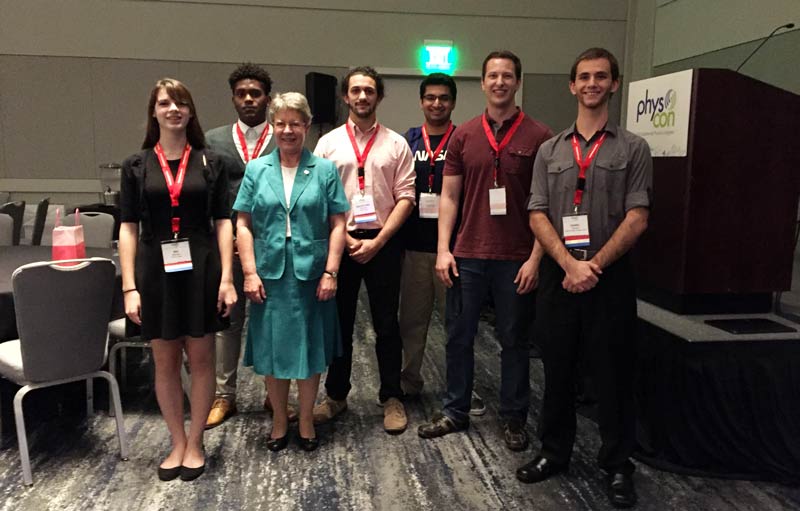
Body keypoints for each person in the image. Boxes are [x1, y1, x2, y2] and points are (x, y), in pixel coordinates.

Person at [519, 48, 652, 510]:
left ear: (614, 84)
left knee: (613, 375)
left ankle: (617, 465)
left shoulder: (633, 148)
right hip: (560, 277)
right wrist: (569, 265)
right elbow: (536, 213)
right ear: (571, 86)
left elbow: (637, 217)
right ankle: (554, 453)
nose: (592, 83)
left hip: (609, 280)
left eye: (601, 76)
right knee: (556, 371)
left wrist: (593, 266)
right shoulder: (550, 150)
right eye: (584, 77)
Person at [417, 51, 552, 451]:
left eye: (507, 75)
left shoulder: (540, 136)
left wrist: (535, 259)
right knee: (459, 335)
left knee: (514, 340)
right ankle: (455, 409)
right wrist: (444, 250)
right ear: (482, 83)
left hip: (516, 257)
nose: (499, 82)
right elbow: (450, 196)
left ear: (517, 82)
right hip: (468, 254)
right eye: (492, 75)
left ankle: (514, 417)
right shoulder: (464, 135)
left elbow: (545, 206)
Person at [119, 78, 237, 481]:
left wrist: (226, 279)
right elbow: (128, 228)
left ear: (190, 111)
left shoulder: (211, 162)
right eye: (165, 103)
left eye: (181, 103)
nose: (173, 109)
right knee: (165, 361)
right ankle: (176, 441)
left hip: (201, 267)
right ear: (154, 111)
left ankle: (197, 440)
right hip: (155, 271)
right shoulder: (136, 166)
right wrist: (129, 287)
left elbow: (224, 222)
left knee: (202, 359)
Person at [233, 92, 348, 451]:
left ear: (307, 126)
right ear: (272, 127)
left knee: (311, 348)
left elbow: (338, 223)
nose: (287, 130)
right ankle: (281, 420)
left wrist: (331, 272)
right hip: (268, 274)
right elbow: (243, 224)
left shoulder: (325, 169)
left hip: (312, 274)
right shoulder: (256, 169)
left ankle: (308, 419)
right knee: (272, 350)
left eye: (295, 123)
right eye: (280, 123)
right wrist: (249, 272)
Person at [312, 66, 416, 434]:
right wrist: (348, 239)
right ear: (345, 97)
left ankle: (391, 397)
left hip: (384, 243)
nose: (362, 97)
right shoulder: (328, 144)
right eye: (355, 90)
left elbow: (406, 196)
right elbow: (319, 197)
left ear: (379, 96)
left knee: (387, 323)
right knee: (338, 323)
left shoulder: (396, 144)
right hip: (341, 239)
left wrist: (380, 240)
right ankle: (336, 395)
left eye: (369, 90)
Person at [398, 73, 485, 415]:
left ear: (453, 102)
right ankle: (408, 382)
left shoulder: (464, 139)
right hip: (414, 248)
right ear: (421, 101)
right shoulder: (408, 141)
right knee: (411, 321)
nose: (437, 104)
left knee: (459, 326)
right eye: (430, 97)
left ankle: (461, 389)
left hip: (456, 252)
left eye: (444, 98)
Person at [204, 63, 285, 429]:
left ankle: (274, 392)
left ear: (267, 98)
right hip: (227, 245)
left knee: (271, 320)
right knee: (228, 321)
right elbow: (206, 195)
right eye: (242, 94)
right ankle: (225, 395)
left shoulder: (283, 136)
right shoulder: (213, 140)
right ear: (233, 98)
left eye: (256, 93)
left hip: (272, 245)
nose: (249, 99)